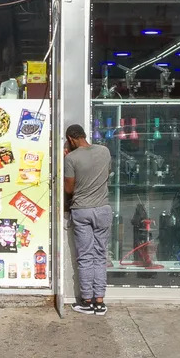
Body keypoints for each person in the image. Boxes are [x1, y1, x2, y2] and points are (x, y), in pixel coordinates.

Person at [63, 123, 112, 315]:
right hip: (103, 209)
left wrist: (68, 159)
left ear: (70, 139)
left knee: (85, 256)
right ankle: (99, 302)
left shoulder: (71, 158)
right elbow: (106, 174)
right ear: (84, 135)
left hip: (82, 210)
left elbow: (69, 189)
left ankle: (86, 301)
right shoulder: (104, 151)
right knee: (100, 255)